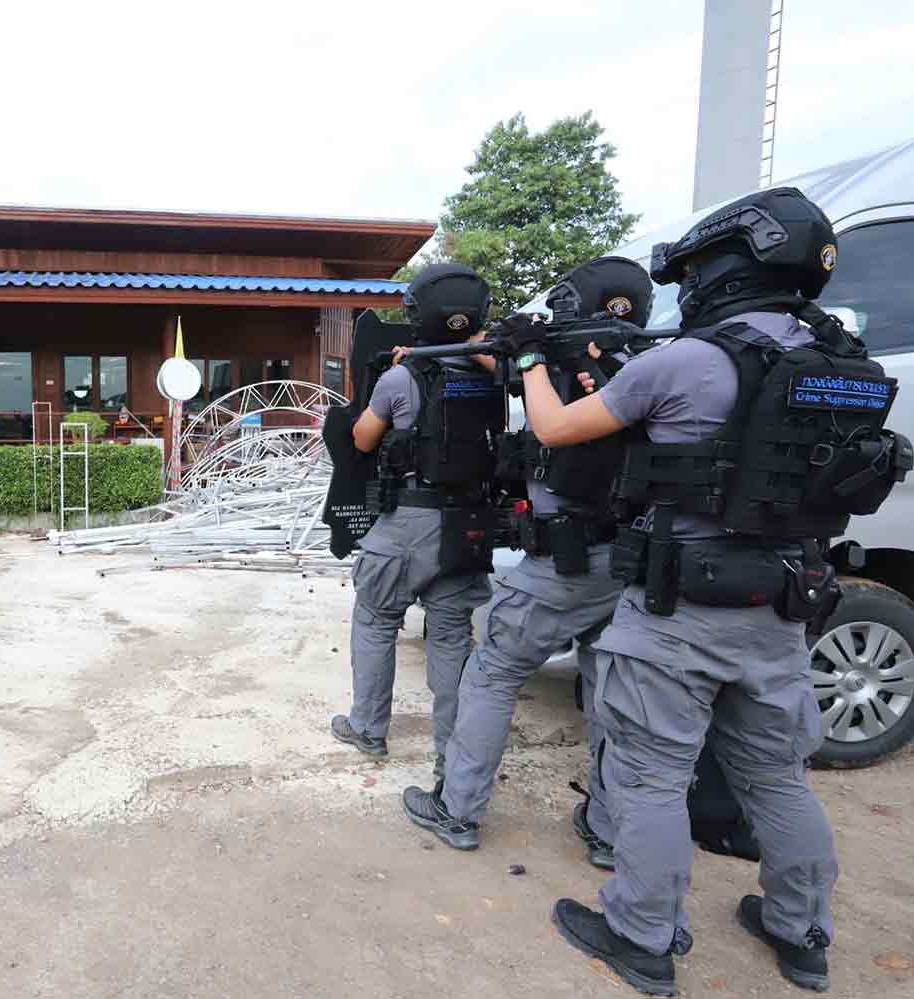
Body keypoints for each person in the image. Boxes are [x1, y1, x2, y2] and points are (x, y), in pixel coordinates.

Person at [502, 187, 900, 996]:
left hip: (682, 604)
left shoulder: (689, 359)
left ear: (727, 266)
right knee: (780, 779)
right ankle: (803, 931)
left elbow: (554, 429)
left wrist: (532, 359)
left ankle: (641, 935)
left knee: (650, 775)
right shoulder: (852, 368)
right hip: (785, 603)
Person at [401, 257, 653, 869]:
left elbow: (546, 412)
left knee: (492, 673)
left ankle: (457, 809)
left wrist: (531, 354)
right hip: (626, 561)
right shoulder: (649, 367)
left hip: (564, 560)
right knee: (608, 693)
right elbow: (508, 366)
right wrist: (493, 350)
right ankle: (605, 828)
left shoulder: (561, 372)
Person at [330, 264, 502, 773]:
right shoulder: (502, 377)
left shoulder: (403, 375)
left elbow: (362, 439)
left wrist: (391, 383)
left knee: (376, 620)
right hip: (468, 523)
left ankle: (368, 729)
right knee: (451, 638)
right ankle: (450, 754)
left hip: (407, 520)